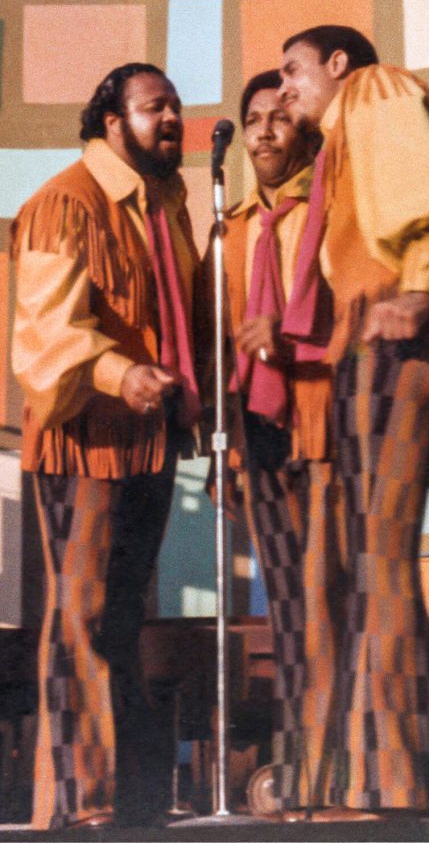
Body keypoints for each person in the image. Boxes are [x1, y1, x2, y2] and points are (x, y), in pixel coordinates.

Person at [277, 25, 429, 818]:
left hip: (396, 331)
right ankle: (402, 777)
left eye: (294, 71)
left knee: (378, 555)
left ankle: (390, 783)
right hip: (372, 336)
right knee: (375, 558)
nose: (286, 89)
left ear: (338, 64)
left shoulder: (376, 90)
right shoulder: (337, 143)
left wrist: (415, 289)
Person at [11, 64, 202, 830]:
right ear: (112, 121)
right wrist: (123, 373)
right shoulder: (67, 201)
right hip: (83, 438)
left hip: (147, 442)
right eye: (155, 107)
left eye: (176, 106)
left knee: (120, 623)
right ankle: (79, 804)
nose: (172, 118)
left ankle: (131, 805)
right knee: (82, 619)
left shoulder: (164, 207)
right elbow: (45, 335)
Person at [211, 70, 336, 817]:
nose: (262, 130)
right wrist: (224, 451)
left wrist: (292, 340)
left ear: (303, 133)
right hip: (255, 432)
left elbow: (353, 306)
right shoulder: (230, 231)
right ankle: (303, 771)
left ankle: (339, 773)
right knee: (285, 607)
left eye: (278, 118)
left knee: (327, 597)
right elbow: (216, 341)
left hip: (318, 419)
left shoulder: (329, 211)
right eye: (252, 119)